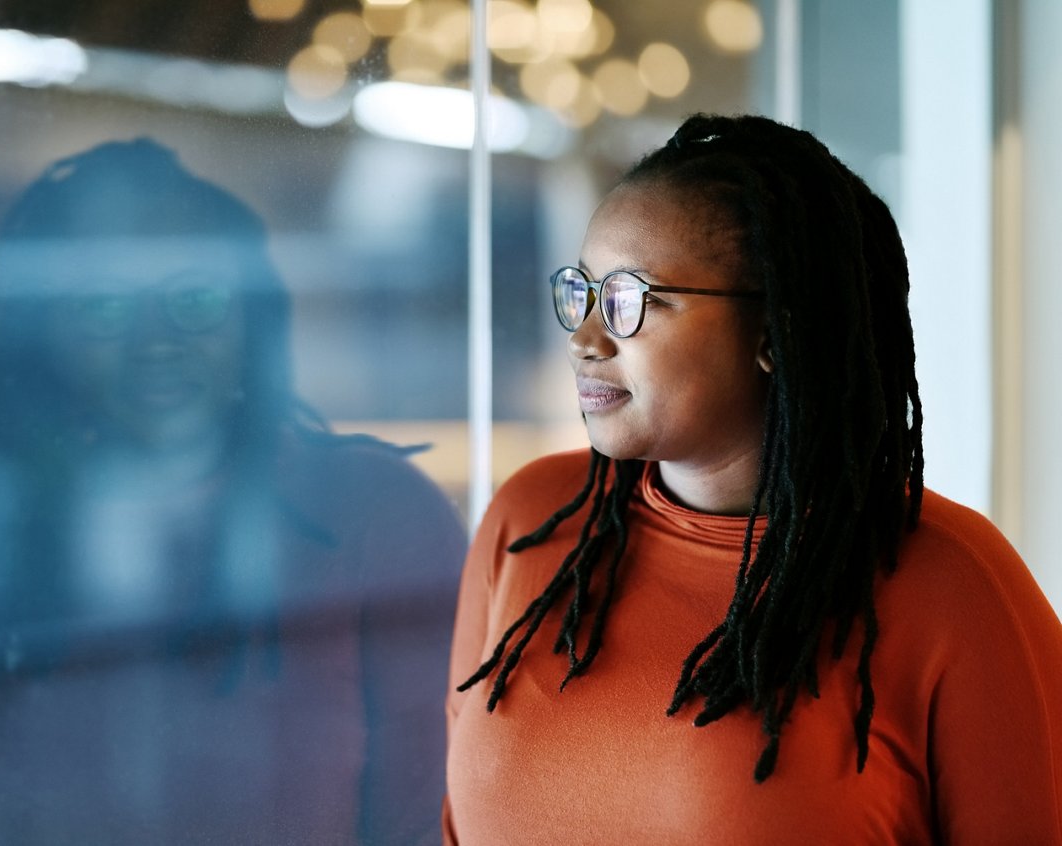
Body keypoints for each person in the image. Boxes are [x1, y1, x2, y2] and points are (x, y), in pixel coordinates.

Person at [443, 114, 1062, 844]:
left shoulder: (953, 584)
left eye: (630, 300)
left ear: (774, 332)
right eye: (581, 291)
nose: (584, 339)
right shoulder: (530, 521)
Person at [0, 138, 466, 845]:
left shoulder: (375, 515)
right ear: (48, 333)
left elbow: (435, 821)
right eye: (106, 308)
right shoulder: (8, 525)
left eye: (197, 298)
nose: (157, 341)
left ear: (253, 314)